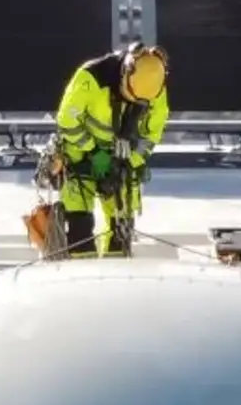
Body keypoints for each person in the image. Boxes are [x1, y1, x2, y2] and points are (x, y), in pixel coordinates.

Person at [50, 43, 169, 257]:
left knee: (120, 234)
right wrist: (94, 152)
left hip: (122, 155)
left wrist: (130, 163)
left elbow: (151, 135)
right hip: (81, 153)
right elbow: (67, 121)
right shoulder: (91, 78)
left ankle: (115, 276)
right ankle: (82, 275)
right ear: (125, 73)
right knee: (80, 229)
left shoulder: (153, 88)